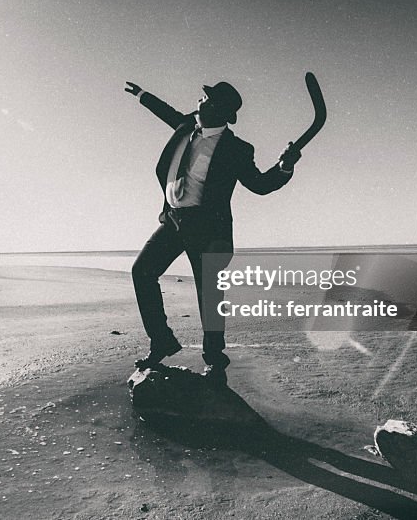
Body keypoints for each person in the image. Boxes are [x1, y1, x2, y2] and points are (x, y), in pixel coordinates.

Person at [125, 80, 302, 387]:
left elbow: (259, 184)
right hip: (174, 220)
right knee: (142, 272)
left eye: (205, 98)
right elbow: (164, 111)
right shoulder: (184, 127)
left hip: (208, 228)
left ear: (220, 110)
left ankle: (215, 363)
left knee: (210, 297)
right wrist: (142, 95)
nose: (199, 100)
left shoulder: (236, 149)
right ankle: (162, 342)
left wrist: (284, 166)